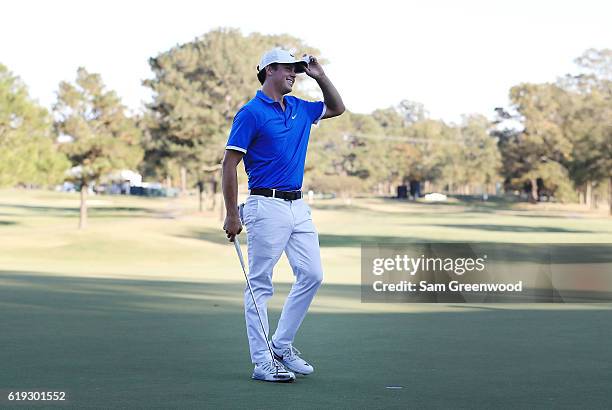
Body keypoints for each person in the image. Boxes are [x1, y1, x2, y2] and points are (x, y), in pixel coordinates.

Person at [222, 48, 345, 382]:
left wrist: (319, 75)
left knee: (313, 274)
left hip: (298, 205)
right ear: (270, 70)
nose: (294, 73)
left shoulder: (299, 109)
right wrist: (232, 214)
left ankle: (281, 345)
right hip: (265, 206)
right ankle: (263, 362)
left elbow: (336, 107)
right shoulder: (250, 113)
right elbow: (229, 164)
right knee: (259, 285)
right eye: (289, 69)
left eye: (296, 69)